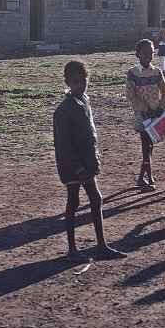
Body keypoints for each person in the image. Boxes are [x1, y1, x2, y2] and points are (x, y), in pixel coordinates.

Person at [51, 60, 127, 262]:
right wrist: (77, 167)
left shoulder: (83, 101)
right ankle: (74, 249)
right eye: (76, 82)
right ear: (67, 82)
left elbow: (88, 135)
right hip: (74, 166)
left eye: (84, 81)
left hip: (86, 161)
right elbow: (64, 144)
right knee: (75, 201)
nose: (81, 85)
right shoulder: (64, 110)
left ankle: (100, 246)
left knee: (94, 199)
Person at [125, 39, 165, 191]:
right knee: (146, 146)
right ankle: (149, 178)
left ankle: (142, 178)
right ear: (138, 54)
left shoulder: (157, 72)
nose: (149, 56)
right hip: (142, 115)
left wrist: (161, 108)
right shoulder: (133, 73)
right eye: (145, 53)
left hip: (155, 114)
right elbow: (130, 94)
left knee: (148, 147)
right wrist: (145, 109)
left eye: (151, 52)